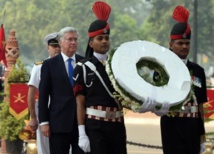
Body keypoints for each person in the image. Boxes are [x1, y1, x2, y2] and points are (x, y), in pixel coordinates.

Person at [73, 1, 127, 154]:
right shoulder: (82, 68)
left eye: (106, 38)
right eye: (100, 38)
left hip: (117, 125)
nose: (104, 41)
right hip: (95, 127)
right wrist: (82, 133)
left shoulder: (118, 66)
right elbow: (80, 103)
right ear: (91, 43)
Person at [160, 6, 207, 154]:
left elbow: (200, 108)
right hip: (171, 125)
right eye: (180, 43)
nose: (184, 46)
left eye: (187, 43)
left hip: (192, 126)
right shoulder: (162, 69)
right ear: (171, 44)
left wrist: (202, 136)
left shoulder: (198, 71)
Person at [38, 27, 84, 154]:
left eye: (75, 39)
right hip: (58, 123)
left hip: (80, 123)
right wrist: (44, 122)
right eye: (69, 39)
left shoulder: (84, 62)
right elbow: (43, 95)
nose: (73, 42)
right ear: (61, 42)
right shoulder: (49, 65)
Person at [27, 32, 60, 154]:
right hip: (44, 112)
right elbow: (31, 93)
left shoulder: (68, 65)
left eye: (59, 46)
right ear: (48, 48)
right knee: (45, 149)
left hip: (63, 113)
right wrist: (33, 117)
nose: (57, 49)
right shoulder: (39, 67)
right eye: (54, 46)